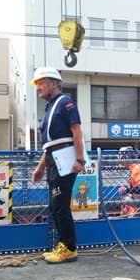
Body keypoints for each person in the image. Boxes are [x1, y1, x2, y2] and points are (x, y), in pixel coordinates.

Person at [31, 67, 87, 264]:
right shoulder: (50, 107)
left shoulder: (65, 103)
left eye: (41, 83)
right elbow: (49, 145)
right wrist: (40, 168)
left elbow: (76, 132)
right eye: (36, 84)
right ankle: (63, 245)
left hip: (65, 159)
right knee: (55, 206)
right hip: (53, 159)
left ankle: (69, 248)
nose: (38, 88)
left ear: (54, 83)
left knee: (60, 205)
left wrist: (79, 160)